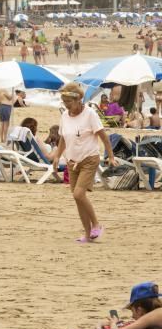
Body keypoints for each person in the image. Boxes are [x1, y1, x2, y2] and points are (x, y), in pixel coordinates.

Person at [52, 82, 116, 244]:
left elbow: (103, 137)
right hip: (72, 161)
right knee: (78, 198)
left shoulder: (90, 114)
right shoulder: (65, 116)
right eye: (64, 102)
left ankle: (96, 224)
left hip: (89, 159)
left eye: (69, 102)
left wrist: (111, 156)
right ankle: (88, 235)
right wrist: (56, 157)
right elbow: (63, 139)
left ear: (79, 99)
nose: (66, 105)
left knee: (79, 194)